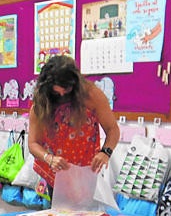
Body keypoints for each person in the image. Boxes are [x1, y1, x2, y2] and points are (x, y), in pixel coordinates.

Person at [28, 55, 120, 191]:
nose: (62, 95)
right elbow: (33, 144)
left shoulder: (91, 95)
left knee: (85, 211)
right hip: (55, 174)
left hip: (85, 171)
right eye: (56, 92)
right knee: (57, 211)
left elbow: (112, 129)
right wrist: (48, 158)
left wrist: (105, 152)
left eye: (67, 90)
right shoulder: (42, 103)